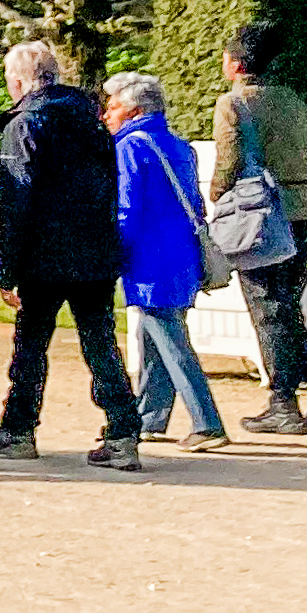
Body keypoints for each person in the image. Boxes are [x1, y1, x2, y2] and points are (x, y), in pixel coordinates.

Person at [0, 40, 142, 469]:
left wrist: (6, 270)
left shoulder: (26, 125)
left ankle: (17, 429)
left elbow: (16, 201)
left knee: (31, 345)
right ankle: (124, 430)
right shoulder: (92, 121)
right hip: (94, 249)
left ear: (18, 81)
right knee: (100, 343)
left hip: (45, 254)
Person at [215, 25, 307, 434]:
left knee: (268, 309)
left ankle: (283, 404)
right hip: (300, 212)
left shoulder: (232, 104)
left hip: (259, 217)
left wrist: (219, 198)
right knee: (286, 305)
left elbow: (227, 163)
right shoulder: (292, 100)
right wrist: (301, 182)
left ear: (236, 65)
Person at [105, 72, 224, 450]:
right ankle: (148, 417)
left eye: (113, 107)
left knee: (169, 340)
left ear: (134, 110)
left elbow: (127, 208)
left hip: (149, 257)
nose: (107, 115)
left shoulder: (129, 148)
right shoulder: (179, 146)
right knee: (153, 336)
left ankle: (207, 423)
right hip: (181, 254)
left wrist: (113, 252)